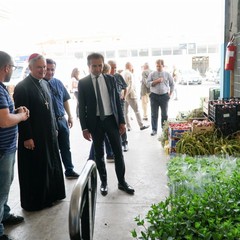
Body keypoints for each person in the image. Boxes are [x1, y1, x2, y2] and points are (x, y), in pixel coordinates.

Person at [13, 53, 66, 211]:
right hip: (34, 136)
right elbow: (22, 116)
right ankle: (37, 201)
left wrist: (54, 128)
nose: (43, 70)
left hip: (48, 133)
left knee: (50, 165)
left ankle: (52, 195)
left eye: (44, 67)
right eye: (39, 67)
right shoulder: (22, 87)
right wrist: (27, 137)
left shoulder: (44, 83)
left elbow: (49, 109)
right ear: (30, 68)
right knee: (37, 168)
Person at [78, 52, 134, 196]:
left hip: (111, 120)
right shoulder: (83, 83)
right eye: (94, 66)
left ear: (103, 65)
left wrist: (121, 121)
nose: (97, 69)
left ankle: (122, 182)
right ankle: (103, 182)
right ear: (88, 66)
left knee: (118, 152)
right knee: (98, 154)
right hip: (95, 122)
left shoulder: (110, 79)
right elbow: (81, 105)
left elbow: (117, 101)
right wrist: (84, 128)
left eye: (100, 66)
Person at [0, 51, 29, 240]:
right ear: (6, 67)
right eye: (13, 67)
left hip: (6, 148)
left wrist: (15, 111)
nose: (13, 70)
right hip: (3, 150)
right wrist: (22, 116)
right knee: (1, 189)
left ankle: (4, 214)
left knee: (5, 186)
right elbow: (4, 121)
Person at [43, 59, 79, 179]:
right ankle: (54, 175)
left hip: (61, 120)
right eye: (47, 69)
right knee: (52, 150)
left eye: (52, 69)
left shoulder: (58, 82)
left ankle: (69, 170)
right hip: (49, 123)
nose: (50, 72)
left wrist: (70, 116)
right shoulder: (39, 84)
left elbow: (65, 100)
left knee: (65, 147)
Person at [88, 63, 114, 162]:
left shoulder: (109, 80)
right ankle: (92, 158)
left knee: (101, 139)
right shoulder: (90, 82)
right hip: (97, 119)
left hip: (107, 117)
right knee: (98, 140)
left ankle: (109, 154)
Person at [147, 59, 174, 136]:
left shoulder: (167, 74)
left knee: (164, 114)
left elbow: (172, 84)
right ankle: (154, 129)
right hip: (154, 96)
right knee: (154, 114)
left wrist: (170, 94)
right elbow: (148, 84)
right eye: (157, 66)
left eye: (159, 66)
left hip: (164, 96)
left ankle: (164, 129)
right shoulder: (152, 74)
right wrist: (157, 81)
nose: (158, 67)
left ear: (163, 65)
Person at [108, 60, 129, 152]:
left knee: (121, 123)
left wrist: (124, 96)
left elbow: (125, 87)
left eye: (115, 67)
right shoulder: (105, 78)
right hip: (109, 106)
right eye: (112, 67)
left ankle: (124, 142)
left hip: (119, 104)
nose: (114, 69)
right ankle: (116, 145)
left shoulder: (118, 76)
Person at [121, 62, 149, 131]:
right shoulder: (129, 74)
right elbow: (130, 86)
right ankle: (141, 125)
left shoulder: (121, 73)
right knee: (137, 111)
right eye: (132, 66)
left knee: (125, 112)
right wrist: (126, 95)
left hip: (123, 95)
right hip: (131, 95)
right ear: (130, 66)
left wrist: (123, 95)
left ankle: (128, 127)